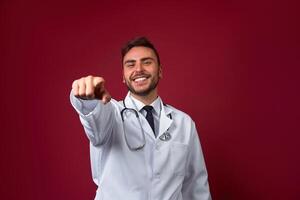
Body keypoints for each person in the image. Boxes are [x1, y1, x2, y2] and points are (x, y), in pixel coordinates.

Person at [70, 37, 212, 200]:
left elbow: (196, 186)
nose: (138, 69)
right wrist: (87, 100)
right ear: (123, 76)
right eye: (130, 64)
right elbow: (94, 120)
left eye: (147, 62)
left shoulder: (184, 123)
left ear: (160, 71)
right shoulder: (111, 114)